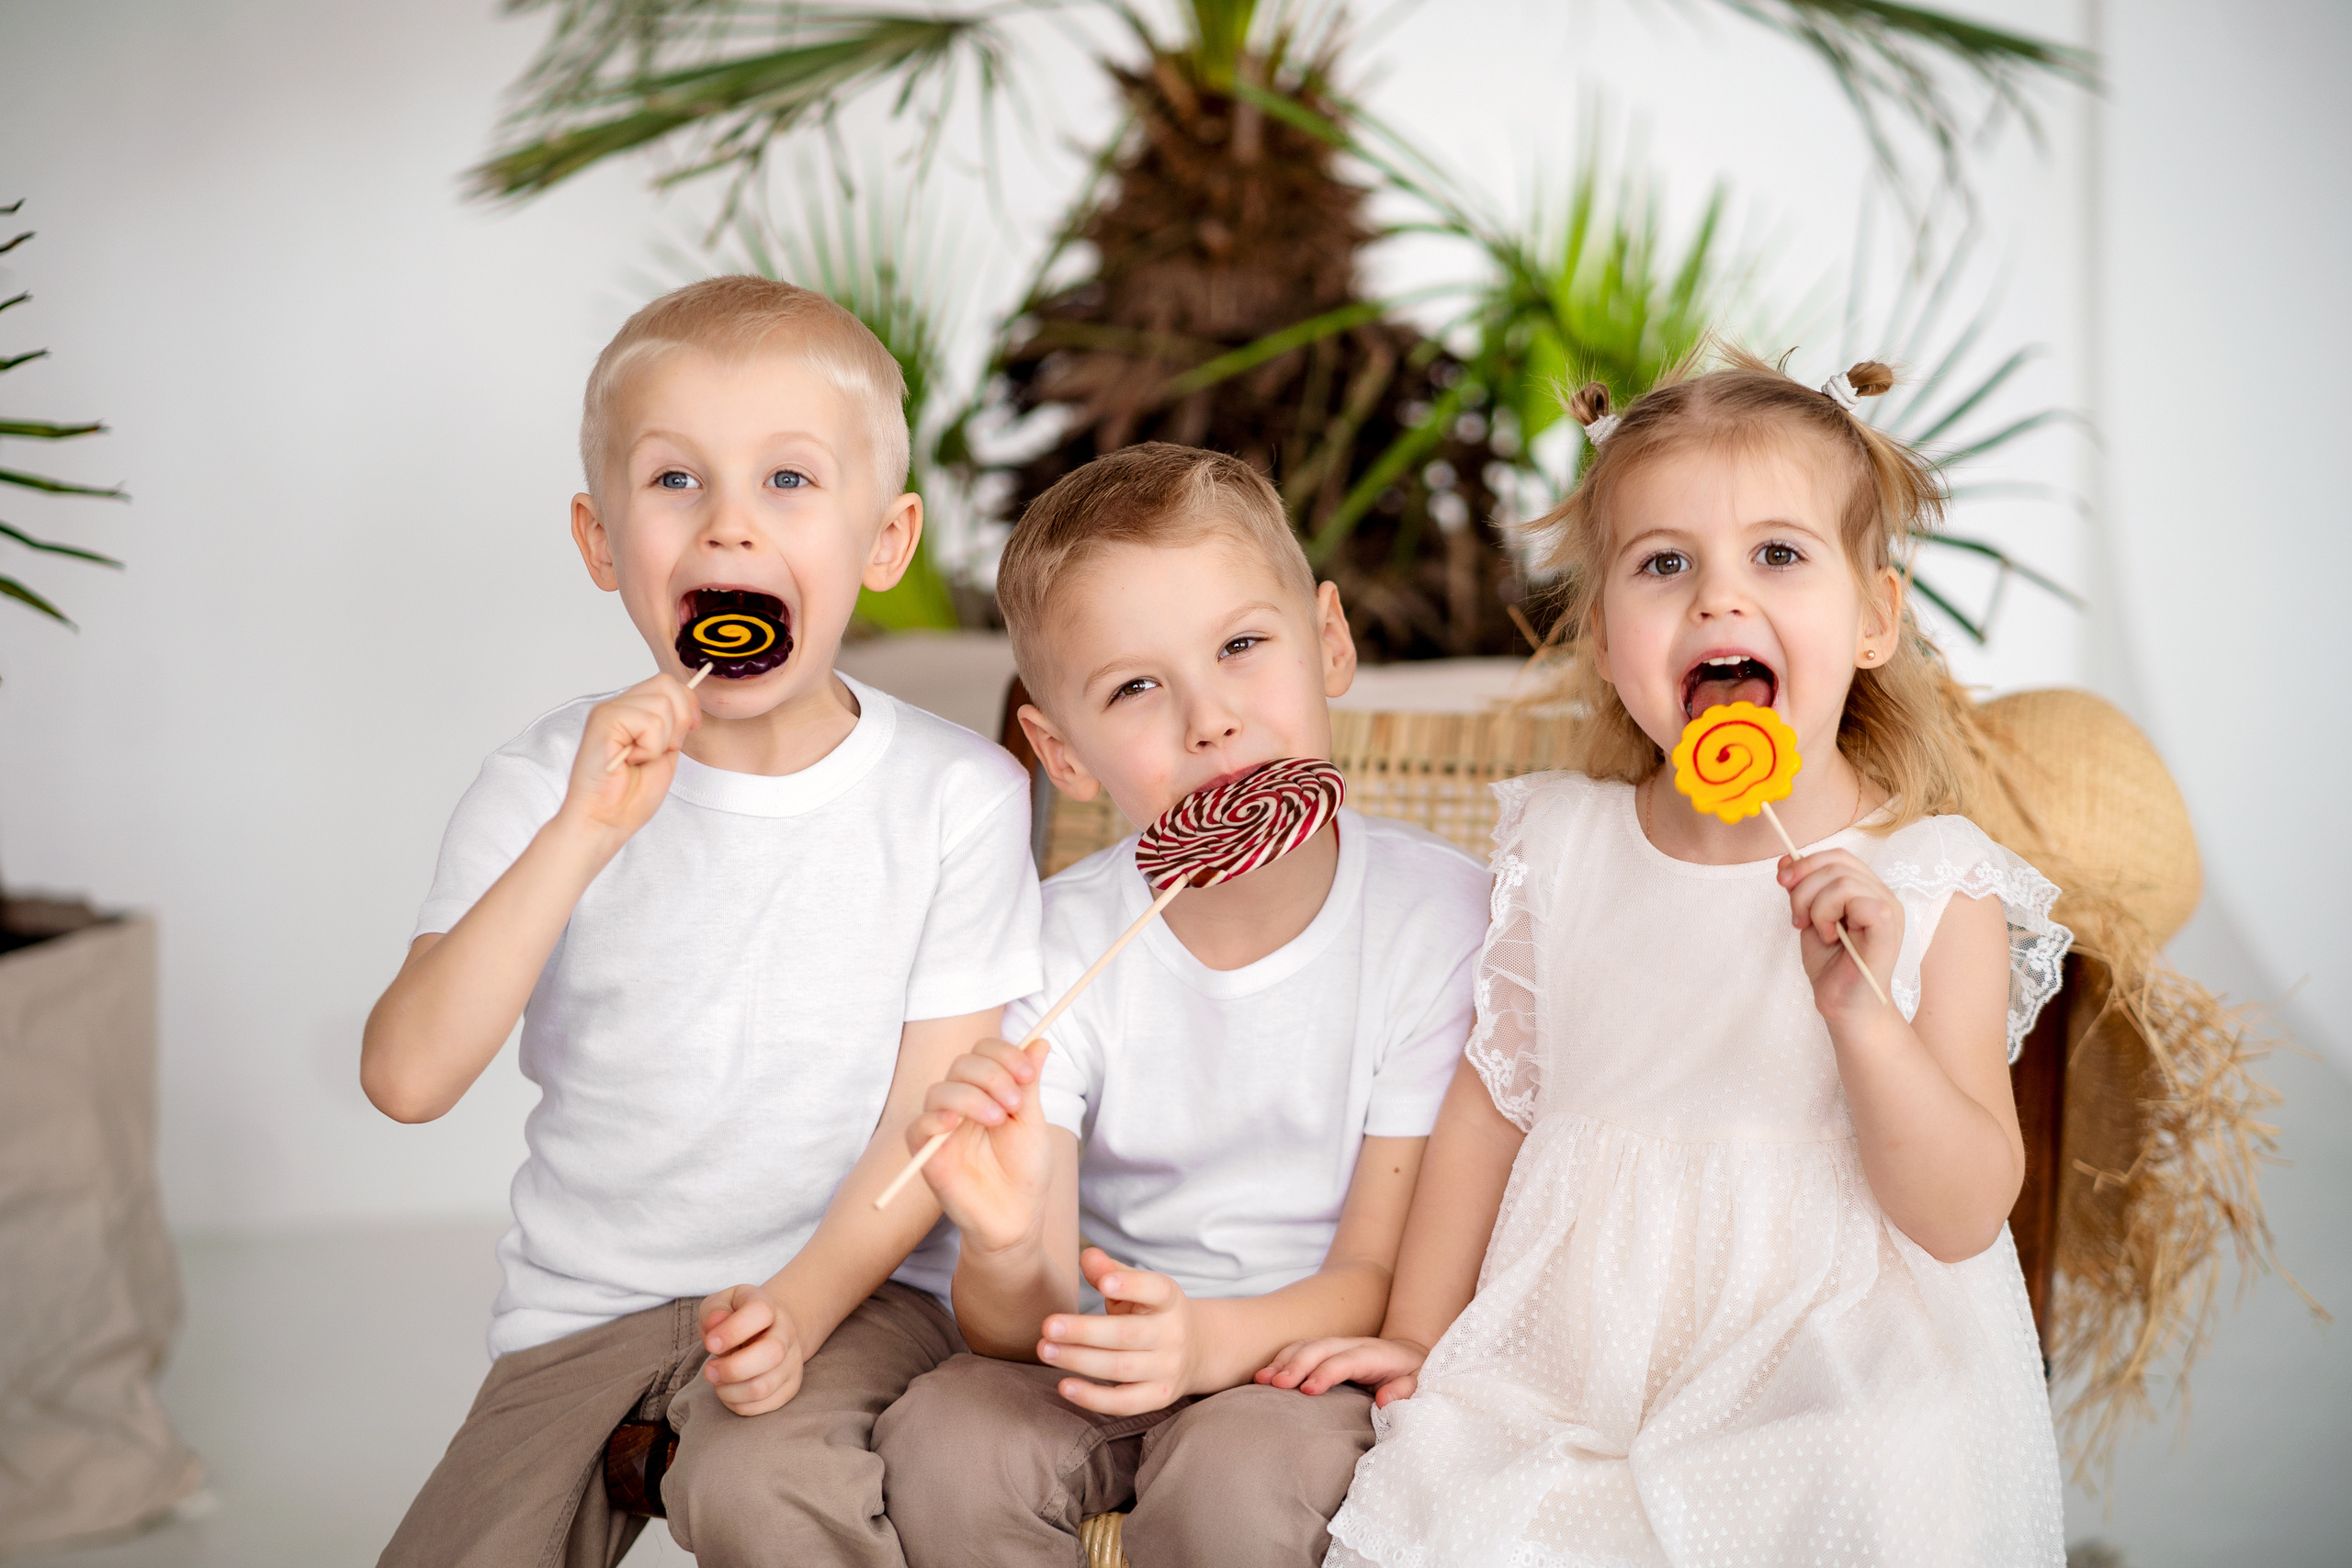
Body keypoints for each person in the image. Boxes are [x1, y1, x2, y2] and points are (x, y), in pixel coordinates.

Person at [1266, 350, 2073, 1566]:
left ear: (1873, 619)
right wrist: (1421, 1339)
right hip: (1573, 1357)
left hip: (1828, 1361)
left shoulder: (1931, 881)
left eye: (1780, 554)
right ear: (1601, 635)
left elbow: (1961, 1212)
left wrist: (1862, 1014)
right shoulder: (1564, 848)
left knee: (1878, 1464)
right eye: (1664, 563)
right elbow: (1489, 1114)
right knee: (1474, 1500)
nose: (1718, 598)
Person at [362, 276, 1041, 1568]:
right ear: (602, 539)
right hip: (585, 1304)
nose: (730, 525)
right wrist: (582, 836)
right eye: (677, 481)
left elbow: (927, 1123)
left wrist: (801, 1300)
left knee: (772, 1494)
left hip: (860, 1288)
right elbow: (405, 1075)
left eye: (789, 480)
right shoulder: (540, 787)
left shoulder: (957, 796)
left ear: (884, 542)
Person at [870, 444, 1490, 1567]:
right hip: (1091, 1353)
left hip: (1303, 1354)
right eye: (1134, 688)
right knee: (943, 1447)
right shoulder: (1050, 947)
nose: (1208, 719)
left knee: (1237, 1486)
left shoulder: (1438, 922)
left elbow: (1376, 1278)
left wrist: (1210, 1344)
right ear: (1063, 754)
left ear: (1330, 642)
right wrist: (1008, 1246)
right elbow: (1014, 1328)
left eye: (1244, 646)